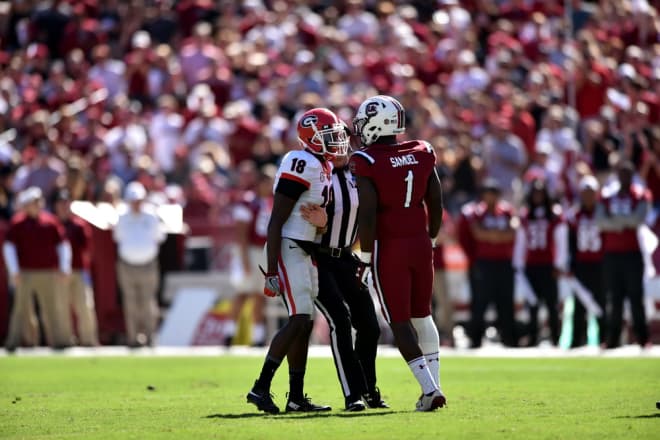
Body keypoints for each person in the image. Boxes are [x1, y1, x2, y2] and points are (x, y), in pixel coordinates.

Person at [247, 108, 347, 414]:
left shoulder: (322, 165)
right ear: (312, 138)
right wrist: (271, 270)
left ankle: (296, 396)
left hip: (305, 249)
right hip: (288, 246)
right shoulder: (300, 161)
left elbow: (317, 218)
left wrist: (325, 223)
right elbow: (276, 220)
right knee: (300, 319)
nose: (337, 141)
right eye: (329, 136)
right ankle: (260, 388)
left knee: (304, 325)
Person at [350, 95, 446, 412]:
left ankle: (430, 390)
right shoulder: (422, 151)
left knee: (400, 321)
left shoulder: (367, 159)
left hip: (389, 248)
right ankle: (434, 386)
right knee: (423, 314)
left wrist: (364, 257)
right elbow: (436, 202)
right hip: (420, 242)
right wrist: (430, 237)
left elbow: (367, 214)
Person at [300, 150, 387, 412]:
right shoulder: (315, 175)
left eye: (343, 142)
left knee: (370, 326)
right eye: (333, 143)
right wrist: (321, 227)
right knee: (340, 320)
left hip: (347, 257)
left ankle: (369, 388)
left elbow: (368, 215)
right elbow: (299, 220)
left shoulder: (358, 175)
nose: (339, 150)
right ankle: (353, 395)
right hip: (319, 258)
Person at [3, 186, 73, 351]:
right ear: (26, 205)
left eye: (38, 202)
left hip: (48, 272)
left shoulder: (50, 221)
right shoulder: (17, 223)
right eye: (33, 202)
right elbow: (9, 248)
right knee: (20, 309)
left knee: (52, 308)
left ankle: (59, 341)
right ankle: (13, 342)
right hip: (25, 273)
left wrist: (64, 267)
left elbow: (63, 245)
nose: (36, 205)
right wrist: (14, 271)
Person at [595, 161, 650, 348]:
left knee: (636, 297)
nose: (624, 177)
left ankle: (643, 338)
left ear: (632, 175)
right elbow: (600, 221)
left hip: (632, 253)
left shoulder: (640, 194)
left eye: (627, 173)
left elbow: (638, 219)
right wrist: (624, 224)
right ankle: (612, 340)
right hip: (612, 254)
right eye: (621, 173)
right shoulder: (607, 195)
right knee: (614, 298)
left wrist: (615, 222)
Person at [225, 164, 275, 347]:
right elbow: (241, 234)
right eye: (268, 182)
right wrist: (244, 259)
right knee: (242, 294)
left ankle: (258, 337)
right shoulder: (248, 201)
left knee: (260, 295)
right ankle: (229, 334)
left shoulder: (273, 201)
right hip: (249, 250)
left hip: (264, 251)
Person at [513, 179, 567, 346]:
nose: (537, 196)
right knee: (532, 304)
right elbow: (521, 242)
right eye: (535, 193)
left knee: (552, 304)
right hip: (531, 265)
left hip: (549, 265)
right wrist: (518, 264)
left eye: (540, 193)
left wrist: (559, 264)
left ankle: (555, 337)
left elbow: (561, 242)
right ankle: (533, 337)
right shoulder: (525, 215)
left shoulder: (555, 214)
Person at [113, 181, 166, 347]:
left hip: (148, 265)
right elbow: (118, 238)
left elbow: (159, 237)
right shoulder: (122, 216)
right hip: (127, 265)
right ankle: (133, 337)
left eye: (139, 200)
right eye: (133, 200)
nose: (136, 204)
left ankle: (151, 337)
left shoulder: (151, 216)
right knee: (130, 302)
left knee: (148, 301)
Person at [467, 179, 518, 348]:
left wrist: (491, 235)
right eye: (487, 194)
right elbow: (477, 233)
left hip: (503, 262)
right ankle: (475, 339)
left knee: (505, 301)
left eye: (493, 194)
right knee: (480, 302)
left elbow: (512, 233)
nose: (490, 198)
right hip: (485, 263)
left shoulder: (506, 211)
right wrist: (497, 236)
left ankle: (509, 338)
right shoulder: (477, 212)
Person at [52, 189, 99, 346]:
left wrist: (85, 271)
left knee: (84, 306)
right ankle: (64, 340)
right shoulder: (52, 224)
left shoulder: (79, 225)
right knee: (61, 307)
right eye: (61, 203)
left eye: (66, 203)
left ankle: (88, 339)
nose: (64, 207)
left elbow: (88, 251)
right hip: (58, 273)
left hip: (78, 271)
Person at [565, 176, 607, 347]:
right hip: (582, 264)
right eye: (585, 192)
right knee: (579, 304)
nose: (588, 196)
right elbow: (570, 243)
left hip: (600, 264)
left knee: (602, 302)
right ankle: (577, 341)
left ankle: (605, 339)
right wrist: (570, 264)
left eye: (591, 192)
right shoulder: (574, 215)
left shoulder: (603, 213)